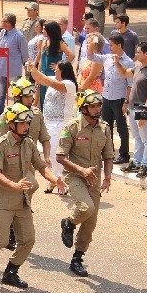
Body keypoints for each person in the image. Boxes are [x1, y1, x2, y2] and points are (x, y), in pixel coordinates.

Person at [0, 104, 67, 287]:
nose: (26, 127)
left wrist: (55, 180)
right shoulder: (0, 145)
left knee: (28, 240)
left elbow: (41, 166)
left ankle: (11, 272)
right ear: (11, 124)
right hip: (3, 201)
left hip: (22, 201)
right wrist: (15, 185)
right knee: (0, 241)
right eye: (22, 124)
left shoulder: (29, 144)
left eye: (27, 123)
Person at [57, 90, 114, 277]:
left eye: (98, 106)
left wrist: (107, 177)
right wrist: (80, 170)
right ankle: (69, 223)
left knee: (91, 223)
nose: (97, 109)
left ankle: (77, 258)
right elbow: (60, 156)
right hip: (75, 176)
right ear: (83, 109)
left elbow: (108, 156)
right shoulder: (72, 127)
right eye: (92, 106)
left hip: (94, 179)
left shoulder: (104, 128)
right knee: (85, 208)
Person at [88, 34, 135, 165]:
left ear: (119, 45)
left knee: (121, 127)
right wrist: (92, 43)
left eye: (112, 45)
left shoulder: (128, 62)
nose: (110, 47)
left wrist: (126, 101)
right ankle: (109, 152)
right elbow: (91, 56)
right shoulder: (107, 58)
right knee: (106, 127)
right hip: (107, 97)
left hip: (119, 98)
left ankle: (124, 154)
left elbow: (130, 84)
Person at [29, 61, 78, 183]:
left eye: (57, 69)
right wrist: (32, 69)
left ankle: (60, 179)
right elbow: (39, 79)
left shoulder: (69, 84)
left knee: (57, 153)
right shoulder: (54, 80)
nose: (55, 71)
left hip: (61, 123)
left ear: (63, 71)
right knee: (50, 153)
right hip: (49, 122)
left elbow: (49, 81)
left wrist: (36, 71)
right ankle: (54, 179)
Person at [123, 42, 147, 178]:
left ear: (146, 54)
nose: (136, 55)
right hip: (133, 109)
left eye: (139, 52)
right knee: (137, 138)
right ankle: (138, 162)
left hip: (141, 110)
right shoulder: (137, 69)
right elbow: (124, 73)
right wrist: (116, 62)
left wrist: (144, 113)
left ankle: (145, 165)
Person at [0, 13, 30, 117]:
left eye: (3, 21)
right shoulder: (2, 33)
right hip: (1, 68)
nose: (1, 23)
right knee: (1, 94)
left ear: (9, 23)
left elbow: (24, 53)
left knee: (16, 93)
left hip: (13, 69)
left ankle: (15, 115)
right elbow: (0, 48)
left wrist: (25, 66)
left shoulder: (19, 36)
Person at [35, 20, 74, 107]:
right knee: (43, 100)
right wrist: (38, 76)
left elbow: (71, 55)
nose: (42, 31)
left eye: (44, 29)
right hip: (43, 74)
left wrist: (59, 66)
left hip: (53, 75)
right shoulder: (44, 42)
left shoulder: (60, 43)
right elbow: (41, 60)